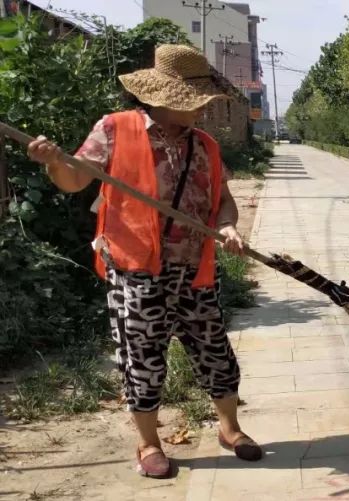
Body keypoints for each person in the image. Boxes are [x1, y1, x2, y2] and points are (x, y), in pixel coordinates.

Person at [26, 44, 262, 478]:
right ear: (162, 96)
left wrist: (228, 227)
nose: (202, 111)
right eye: (195, 102)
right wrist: (53, 163)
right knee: (143, 359)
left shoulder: (205, 145)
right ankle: (149, 443)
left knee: (215, 353)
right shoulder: (115, 129)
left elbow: (223, 201)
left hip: (197, 271)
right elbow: (75, 179)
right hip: (137, 270)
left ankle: (230, 429)